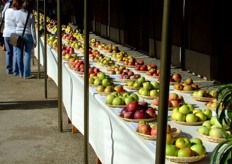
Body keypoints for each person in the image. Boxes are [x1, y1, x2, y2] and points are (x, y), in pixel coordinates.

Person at [14, 0, 36, 79]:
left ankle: (20, 72)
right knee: (27, 54)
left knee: (19, 54)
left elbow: (15, 23)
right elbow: (33, 29)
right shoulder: (31, 15)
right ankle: (26, 74)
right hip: (28, 35)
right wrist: (35, 40)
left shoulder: (16, 13)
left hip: (17, 34)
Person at [2, 0, 21, 75]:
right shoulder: (18, 13)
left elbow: (3, 16)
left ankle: (8, 69)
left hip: (6, 33)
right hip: (14, 34)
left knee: (8, 52)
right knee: (16, 52)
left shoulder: (7, 11)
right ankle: (16, 71)